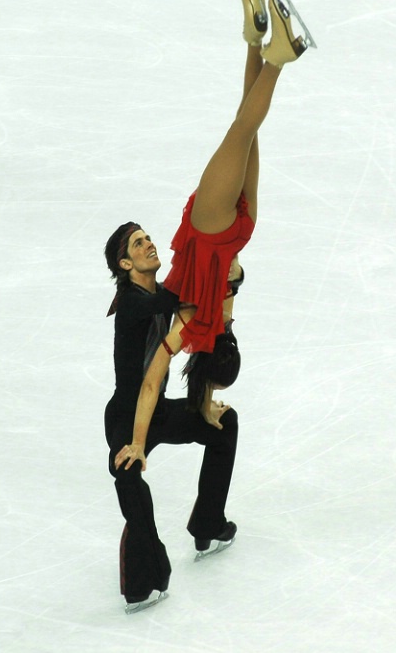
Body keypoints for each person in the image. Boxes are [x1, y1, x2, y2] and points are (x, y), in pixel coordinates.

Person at [115, 0, 316, 475]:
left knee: (245, 130)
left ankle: (257, 37)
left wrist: (205, 405)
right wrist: (139, 441)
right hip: (208, 228)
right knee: (243, 125)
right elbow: (151, 383)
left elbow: (231, 284)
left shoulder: (221, 320)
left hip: (240, 227)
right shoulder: (186, 330)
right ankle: (280, 55)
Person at [104, 223, 244, 614]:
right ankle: (142, 581)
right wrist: (223, 273)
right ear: (125, 263)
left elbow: (187, 301)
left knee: (224, 426)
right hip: (127, 418)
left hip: (159, 408)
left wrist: (230, 276)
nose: (149, 244)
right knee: (128, 474)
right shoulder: (132, 302)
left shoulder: (159, 295)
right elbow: (182, 299)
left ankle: (208, 525)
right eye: (138, 243)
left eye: (147, 238)